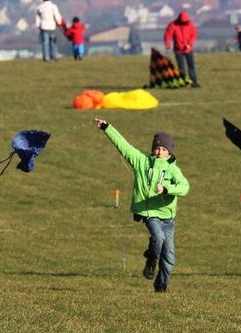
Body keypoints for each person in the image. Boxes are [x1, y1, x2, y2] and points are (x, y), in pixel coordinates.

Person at [95, 118, 189, 292]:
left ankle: (161, 288)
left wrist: (167, 188)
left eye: (163, 149)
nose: (160, 152)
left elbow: (184, 187)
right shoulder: (142, 162)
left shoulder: (173, 169)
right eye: (157, 148)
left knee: (169, 258)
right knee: (158, 238)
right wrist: (107, 128)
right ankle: (151, 260)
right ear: (152, 149)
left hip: (168, 218)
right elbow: (123, 145)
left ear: (169, 153)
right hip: (150, 213)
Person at [164, 10, 199, 87]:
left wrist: (189, 44)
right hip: (178, 50)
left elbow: (194, 35)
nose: (184, 23)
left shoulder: (190, 24)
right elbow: (168, 34)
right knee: (181, 68)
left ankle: (194, 82)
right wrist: (168, 44)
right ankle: (182, 82)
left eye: (185, 22)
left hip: (188, 49)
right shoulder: (172, 25)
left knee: (191, 66)